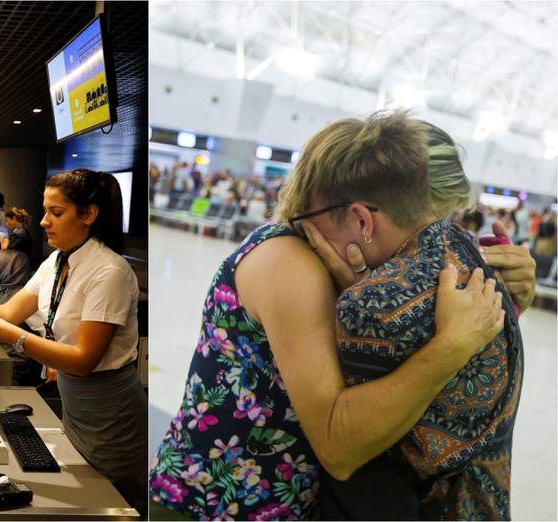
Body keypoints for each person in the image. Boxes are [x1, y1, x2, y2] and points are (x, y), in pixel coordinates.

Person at [148, 114, 530, 520]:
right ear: (367, 219)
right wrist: (452, 345)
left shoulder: (361, 277)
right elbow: (339, 446)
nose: (432, 254)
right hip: (210, 508)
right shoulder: (289, 262)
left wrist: (504, 305)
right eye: (425, 230)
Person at [278, 112, 522, 519]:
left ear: (360, 218)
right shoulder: (472, 257)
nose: (308, 237)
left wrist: (358, 297)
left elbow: (342, 452)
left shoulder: (372, 305)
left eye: (308, 222)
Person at [0, 169, 147, 516]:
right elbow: (8, 310)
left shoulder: (109, 272)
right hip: (76, 405)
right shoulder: (57, 261)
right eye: (45, 211)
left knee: (113, 505)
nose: (43, 222)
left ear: (89, 215)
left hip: (112, 413)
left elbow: (84, 358)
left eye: (56, 213)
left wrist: (14, 337)